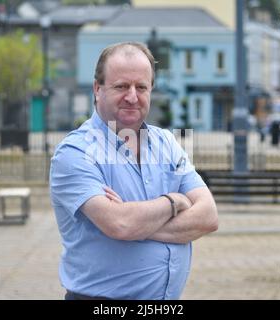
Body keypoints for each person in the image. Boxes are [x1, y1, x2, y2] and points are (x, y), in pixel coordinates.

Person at [50, 42, 219, 300]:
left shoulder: (167, 144)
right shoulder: (75, 152)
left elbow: (208, 217)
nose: (132, 96)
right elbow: (120, 223)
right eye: (121, 86)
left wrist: (136, 224)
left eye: (141, 87)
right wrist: (175, 202)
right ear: (97, 88)